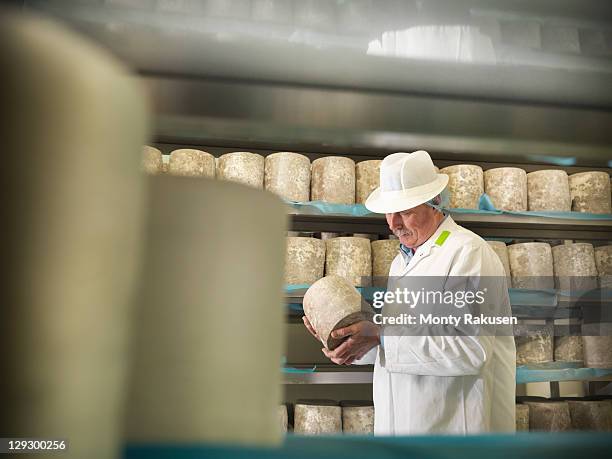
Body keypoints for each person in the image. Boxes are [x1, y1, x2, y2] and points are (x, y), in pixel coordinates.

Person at [303, 150, 516, 434]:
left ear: (435, 203)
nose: (393, 224)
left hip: (451, 431)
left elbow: (470, 350)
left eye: (405, 211)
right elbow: (399, 346)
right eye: (389, 212)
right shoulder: (402, 261)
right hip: (403, 429)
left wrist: (380, 335)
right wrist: (353, 343)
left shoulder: (468, 253)